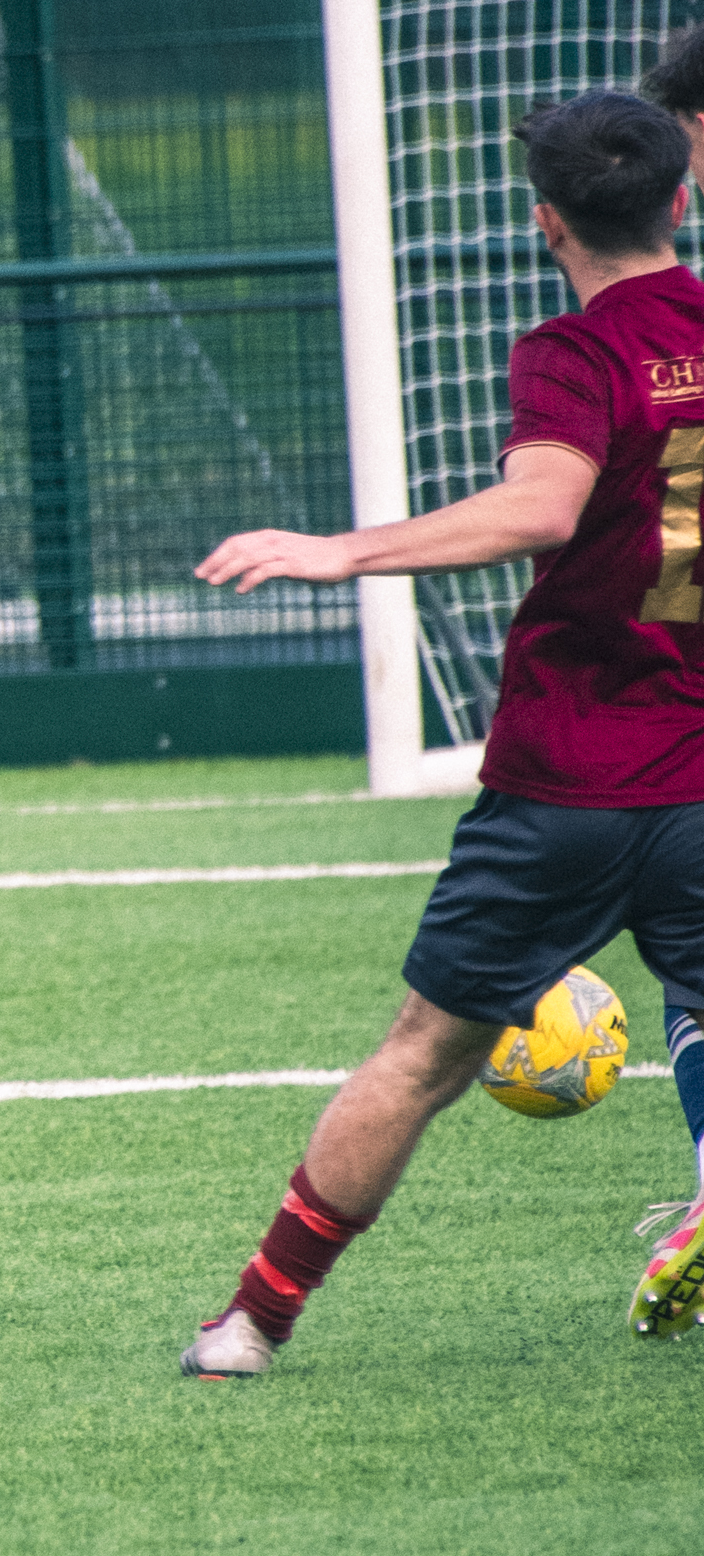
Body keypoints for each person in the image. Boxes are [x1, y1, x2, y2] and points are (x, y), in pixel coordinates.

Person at [181, 90, 704, 1377]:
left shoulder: (571, 352)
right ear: (681, 200)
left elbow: (541, 507)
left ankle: (251, 1323)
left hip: (569, 780)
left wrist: (340, 550)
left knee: (420, 1058)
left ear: (545, 222)